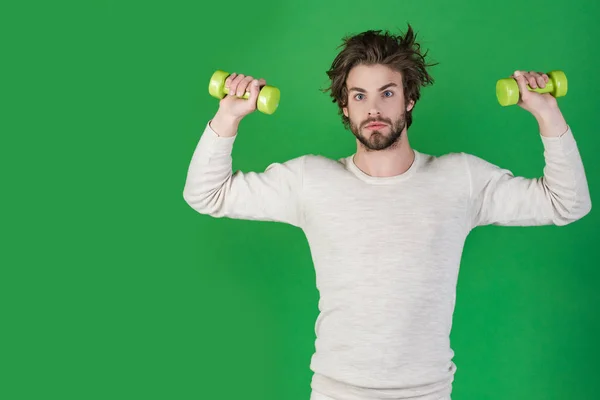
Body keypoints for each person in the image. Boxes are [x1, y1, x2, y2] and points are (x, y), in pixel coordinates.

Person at [183, 25, 592, 400]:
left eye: (387, 92)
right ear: (345, 106)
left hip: (427, 393)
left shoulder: (459, 179)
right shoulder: (311, 181)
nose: (373, 108)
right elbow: (206, 194)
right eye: (359, 95)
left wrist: (546, 112)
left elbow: (567, 202)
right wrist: (228, 115)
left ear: (409, 98)